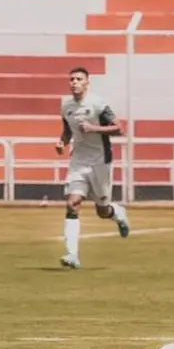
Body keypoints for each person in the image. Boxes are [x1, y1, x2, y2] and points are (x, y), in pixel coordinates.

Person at [55, 67, 130, 269]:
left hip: (100, 161)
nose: (74, 82)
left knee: (102, 211)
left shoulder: (98, 104)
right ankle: (72, 255)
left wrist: (93, 128)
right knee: (72, 204)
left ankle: (118, 213)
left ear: (87, 83)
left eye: (79, 79)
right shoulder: (66, 106)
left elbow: (119, 128)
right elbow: (66, 131)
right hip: (78, 161)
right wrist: (62, 143)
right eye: (71, 79)